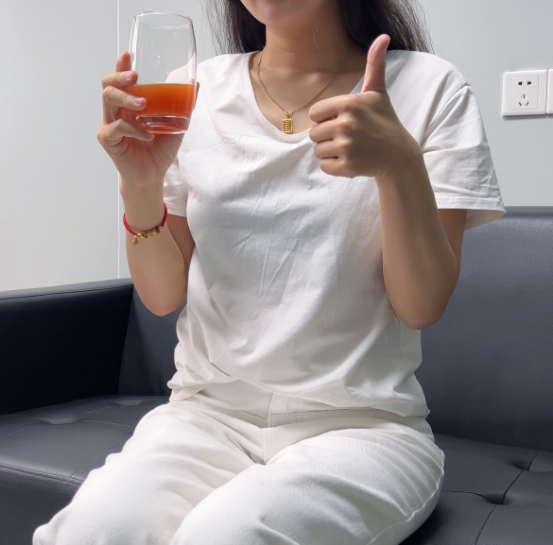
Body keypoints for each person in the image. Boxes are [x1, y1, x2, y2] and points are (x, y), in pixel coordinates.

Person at [33, 1, 506, 544]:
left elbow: (421, 305)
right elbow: (162, 296)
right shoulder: (198, 91)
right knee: (91, 532)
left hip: (362, 427)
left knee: (225, 536)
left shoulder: (428, 87)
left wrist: (398, 166)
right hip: (204, 417)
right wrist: (140, 185)